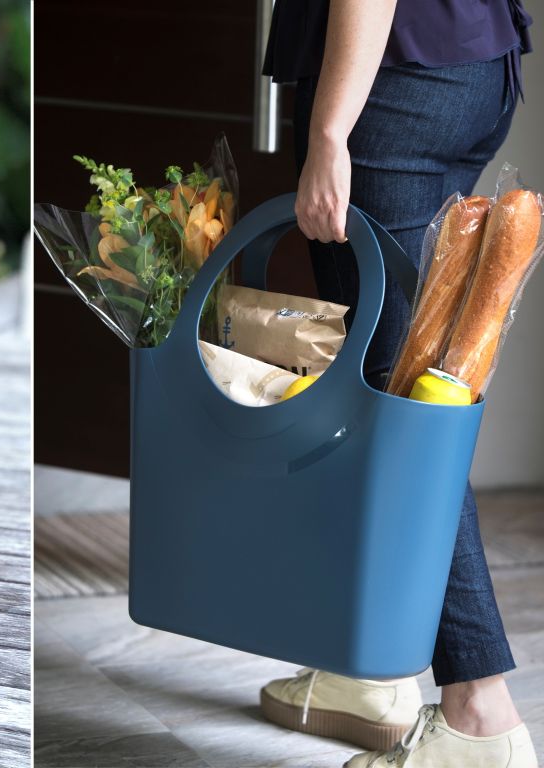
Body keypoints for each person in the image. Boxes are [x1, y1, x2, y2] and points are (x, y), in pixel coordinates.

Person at [259, 1, 538, 766]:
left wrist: (328, 132)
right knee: (399, 391)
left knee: (396, 408)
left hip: (392, 83)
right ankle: (368, 664)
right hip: (468, 63)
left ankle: (480, 709)